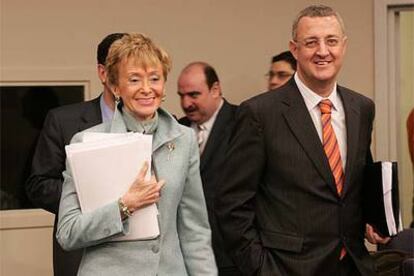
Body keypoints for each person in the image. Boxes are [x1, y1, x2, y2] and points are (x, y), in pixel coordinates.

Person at [215, 5, 388, 276]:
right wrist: (260, 268)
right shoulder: (260, 113)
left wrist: (374, 221)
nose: (322, 51)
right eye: (311, 42)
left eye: (331, 41)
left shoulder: (361, 108)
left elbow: (353, 186)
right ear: (294, 49)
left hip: (352, 265)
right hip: (286, 268)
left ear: (343, 46)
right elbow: (231, 203)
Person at [56, 33, 217, 275]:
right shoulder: (87, 143)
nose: (146, 89)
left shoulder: (184, 139)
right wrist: (123, 206)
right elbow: (68, 233)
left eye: (154, 78)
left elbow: (194, 230)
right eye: (134, 80)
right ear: (115, 86)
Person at [25, 33, 125, 276]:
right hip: (82, 252)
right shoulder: (63, 121)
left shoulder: (161, 124)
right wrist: (93, 198)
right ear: (103, 73)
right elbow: (39, 185)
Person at [177, 62, 239, 275]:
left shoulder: (243, 123)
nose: (186, 103)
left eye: (193, 95)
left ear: (215, 89)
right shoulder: (177, 129)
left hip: (233, 254)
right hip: (186, 256)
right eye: (181, 95)